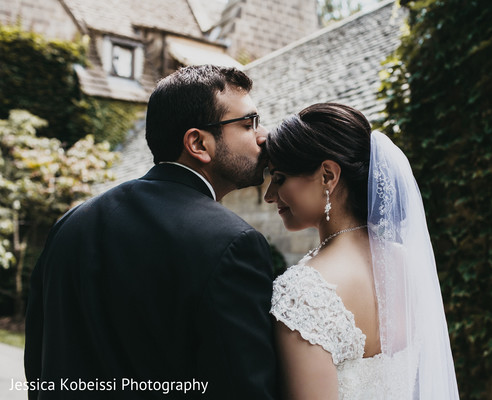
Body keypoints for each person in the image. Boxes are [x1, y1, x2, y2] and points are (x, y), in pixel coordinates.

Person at [25, 65, 279, 399]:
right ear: (198, 143)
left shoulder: (70, 223)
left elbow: (39, 366)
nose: (263, 136)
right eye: (248, 124)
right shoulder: (233, 244)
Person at [264, 103, 460, 399]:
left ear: (327, 176)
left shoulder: (302, 293)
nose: (268, 196)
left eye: (279, 179)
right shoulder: (407, 263)